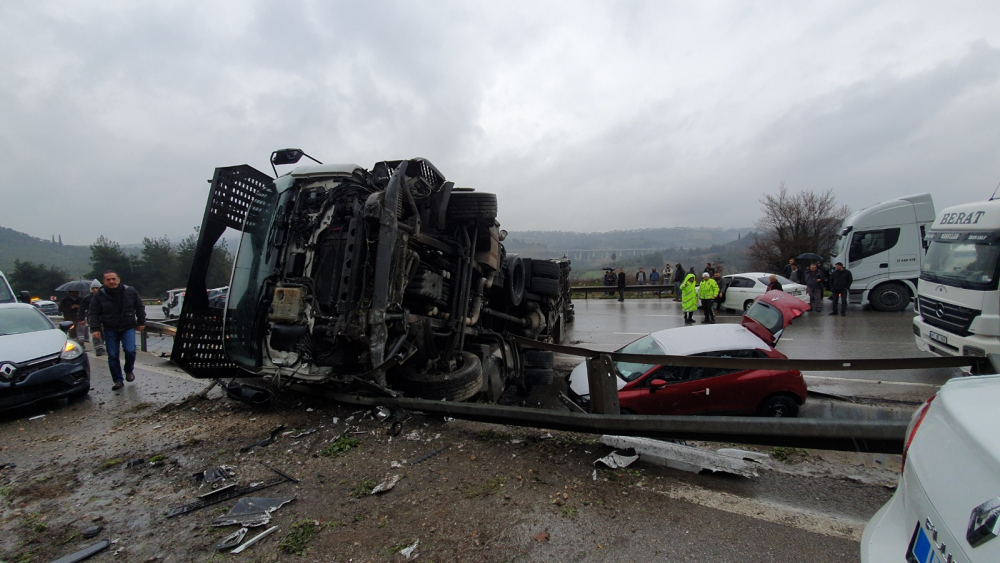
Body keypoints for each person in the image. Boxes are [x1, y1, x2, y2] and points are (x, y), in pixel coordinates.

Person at [89, 270, 146, 391]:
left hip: (128, 326)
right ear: (104, 282)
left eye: (113, 279)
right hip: (110, 328)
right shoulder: (99, 295)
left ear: (118, 279)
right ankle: (117, 380)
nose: (111, 281)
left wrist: (141, 321)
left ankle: (129, 370)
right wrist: (95, 329)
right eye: (108, 280)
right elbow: (93, 313)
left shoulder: (130, 291)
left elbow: (139, 306)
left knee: (130, 350)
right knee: (113, 355)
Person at [79, 280, 104, 355]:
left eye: (97, 288)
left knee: (104, 334)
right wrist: (81, 318)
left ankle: (101, 346)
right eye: (93, 288)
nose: (95, 289)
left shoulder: (105, 297)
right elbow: (82, 309)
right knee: (96, 332)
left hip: (104, 317)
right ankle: (98, 348)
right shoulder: (87, 299)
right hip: (92, 318)